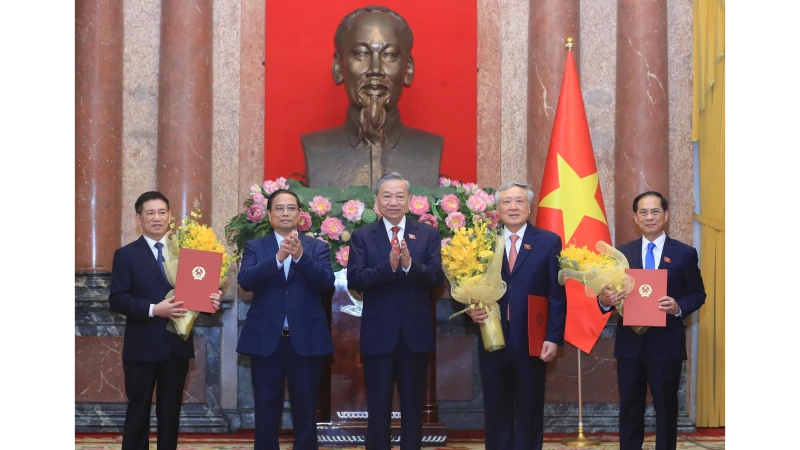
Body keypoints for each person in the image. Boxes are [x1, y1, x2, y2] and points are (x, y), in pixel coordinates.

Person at [109, 191, 221, 450]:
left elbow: (195, 297)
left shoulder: (187, 253)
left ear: (170, 216)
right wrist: (152, 309)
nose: (157, 218)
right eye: (150, 213)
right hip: (141, 347)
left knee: (170, 415)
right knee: (138, 413)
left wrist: (209, 303)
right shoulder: (125, 255)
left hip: (176, 346)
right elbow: (117, 299)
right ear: (139, 219)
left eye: (162, 212)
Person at [598, 191, 706, 450]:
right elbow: (604, 300)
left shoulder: (684, 253)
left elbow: (698, 294)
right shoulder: (620, 255)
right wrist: (605, 299)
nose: (649, 217)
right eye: (643, 212)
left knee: (666, 410)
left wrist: (678, 306)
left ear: (666, 215)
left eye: (655, 211)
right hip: (629, 346)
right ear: (635, 217)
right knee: (629, 409)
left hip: (666, 346)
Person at [347, 172, 445, 450]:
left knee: (413, 408)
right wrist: (388, 268)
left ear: (410, 200)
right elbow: (355, 280)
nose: (393, 202)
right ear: (376, 200)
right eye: (386, 196)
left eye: (399, 196)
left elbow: (437, 279)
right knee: (378, 407)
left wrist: (409, 265)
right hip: (379, 335)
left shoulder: (427, 234)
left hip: (415, 335)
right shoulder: (363, 236)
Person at [466, 182, 567, 450]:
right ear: (497, 208)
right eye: (507, 202)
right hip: (492, 338)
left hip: (532, 340)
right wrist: (471, 312)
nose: (513, 207)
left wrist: (554, 337)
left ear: (530, 207)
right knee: (496, 408)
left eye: (519, 201)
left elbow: (556, 295)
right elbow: (470, 288)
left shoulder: (548, 242)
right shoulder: (483, 241)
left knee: (529, 408)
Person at [301, 5, 443, 189]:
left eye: (389, 55)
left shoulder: (430, 148)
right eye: (361, 54)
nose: (375, 70)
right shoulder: (316, 148)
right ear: (338, 67)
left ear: (408, 69)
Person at [236, 189, 335, 450]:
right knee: (266, 409)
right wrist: (278, 259)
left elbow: (326, 283)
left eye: (291, 208)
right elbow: (245, 281)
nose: (285, 213)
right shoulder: (255, 247)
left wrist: (301, 257)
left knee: (306, 410)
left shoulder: (317, 247)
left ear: (301, 214)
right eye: (279, 208)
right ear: (269, 215)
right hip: (267, 340)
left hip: (307, 340)